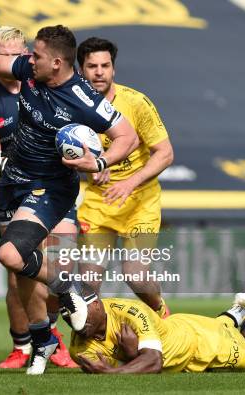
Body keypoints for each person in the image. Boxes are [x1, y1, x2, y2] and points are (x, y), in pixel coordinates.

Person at [0, 24, 139, 374]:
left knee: (14, 255)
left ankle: (64, 306)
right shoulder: (30, 70)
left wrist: (100, 161)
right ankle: (42, 338)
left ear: (57, 63)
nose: (30, 60)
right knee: (19, 266)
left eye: (38, 55)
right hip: (19, 184)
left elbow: (128, 135)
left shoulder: (84, 98)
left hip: (51, 189)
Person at [0, 26, 76, 369]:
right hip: (14, 195)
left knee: (59, 265)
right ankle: (23, 345)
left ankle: (53, 338)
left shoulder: (49, 85)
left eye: (19, 54)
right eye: (5, 55)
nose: (13, 61)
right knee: (19, 275)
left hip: (55, 189)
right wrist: (24, 167)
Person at [76, 37, 174, 316]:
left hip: (140, 201)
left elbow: (165, 153)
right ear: (81, 69)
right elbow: (64, 153)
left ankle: (161, 313)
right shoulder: (70, 106)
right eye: (92, 66)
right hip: (98, 203)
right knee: (87, 284)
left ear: (113, 69)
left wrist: (130, 182)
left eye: (105, 65)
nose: (99, 72)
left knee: (135, 274)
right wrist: (89, 167)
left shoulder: (136, 103)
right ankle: (92, 348)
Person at [72, 276, 245, 374]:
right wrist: (131, 357)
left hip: (197, 342)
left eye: (85, 318)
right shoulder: (78, 348)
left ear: (97, 304)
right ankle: (239, 308)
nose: (82, 328)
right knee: (219, 327)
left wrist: (114, 370)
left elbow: (153, 363)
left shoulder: (131, 311)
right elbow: (129, 363)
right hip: (179, 330)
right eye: (73, 322)